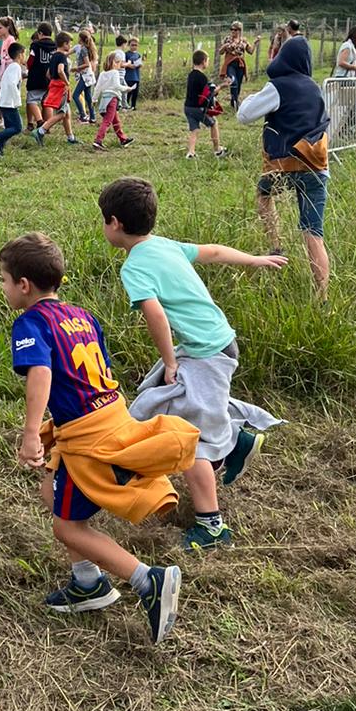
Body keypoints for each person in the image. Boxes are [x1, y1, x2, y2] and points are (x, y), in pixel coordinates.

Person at [0, 231, 190, 642]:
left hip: (90, 435)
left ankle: (147, 581)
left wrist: (31, 433)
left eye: (3, 278)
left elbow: (42, 373)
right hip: (107, 415)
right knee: (52, 493)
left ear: (24, 285)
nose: (3, 286)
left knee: (67, 527)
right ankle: (88, 583)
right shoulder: (82, 315)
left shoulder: (29, 323)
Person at [98, 177, 286, 549]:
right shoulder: (164, 246)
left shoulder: (133, 267)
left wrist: (170, 362)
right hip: (216, 342)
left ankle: (212, 526)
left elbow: (157, 317)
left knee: (190, 439)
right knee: (163, 400)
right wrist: (254, 260)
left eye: (104, 220)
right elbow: (213, 252)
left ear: (116, 223)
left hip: (204, 353)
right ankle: (236, 443)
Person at [237, 35, 331, 298]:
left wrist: (254, 95)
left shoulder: (279, 86)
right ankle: (322, 296)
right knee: (314, 233)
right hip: (317, 166)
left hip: (285, 165)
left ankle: (276, 245)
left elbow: (244, 115)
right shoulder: (314, 87)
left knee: (263, 194)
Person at [34, 32, 79, 145]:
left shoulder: (54, 55)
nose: (70, 46)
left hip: (54, 84)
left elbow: (48, 74)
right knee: (62, 113)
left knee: (67, 113)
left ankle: (70, 137)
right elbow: (60, 70)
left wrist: (53, 82)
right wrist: (66, 82)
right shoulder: (63, 56)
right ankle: (41, 130)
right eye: (69, 44)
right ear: (64, 44)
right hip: (61, 86)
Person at [0, 41, 26, 157]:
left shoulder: (11, 67)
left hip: (5, 101)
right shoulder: (16, 67)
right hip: (9, 102)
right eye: (24, 54)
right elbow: (12, 84)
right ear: (20, 55)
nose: (25, 57)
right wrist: (17, 100)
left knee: (8, 129)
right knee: (17, 127)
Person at [184, 50, 227, 159]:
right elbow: (208, 94)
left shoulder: (191, 75)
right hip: (198, 109)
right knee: (213, 123)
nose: (208, 63)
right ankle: (217, 150)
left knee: (194, 129)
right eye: (207, 60)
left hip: (188, 107)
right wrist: (221, 87)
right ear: (203, 61)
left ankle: (191, 152)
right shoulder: (202, 77)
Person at [92, 55, 133, 150]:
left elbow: (97, 88)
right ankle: (98, 141)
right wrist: (127, 88)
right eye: (119, 63)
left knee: (115, 121)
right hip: (112, 99)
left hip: (104, 99)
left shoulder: (102, 74)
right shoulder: (115, 72)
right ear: (114, 63)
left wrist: (94, 99)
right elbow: (116, 86)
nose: (120, 65)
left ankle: (123, 139)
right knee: (107, 121)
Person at [25, 23, 55, 129]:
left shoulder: (36, 45)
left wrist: (27, 66)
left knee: (32, 100)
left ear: (40, 33)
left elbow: (31, 61)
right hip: (51, 78)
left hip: (36, 77)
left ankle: (39, 121)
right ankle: (48, 126)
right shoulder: (55, 46)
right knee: (47, 103)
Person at [218, 22, 252, 109]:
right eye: (231, 29)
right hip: (230, 64)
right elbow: (220, 52)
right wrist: (225, 46)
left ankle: (234, 101)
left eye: (235, 30)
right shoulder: (227, 39)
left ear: (240, 31)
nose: (233, 31)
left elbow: (250, 51)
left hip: (240, 64)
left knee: (239, 83)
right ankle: (235, 102)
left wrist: (255, 43)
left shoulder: (243, 40)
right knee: (234, 82)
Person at [72, 28, 99, 123]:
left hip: (85, 76)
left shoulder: (83, 49)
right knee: (88, 98)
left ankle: (83, 115)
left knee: (75, 95)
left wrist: (76, 68)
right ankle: (93, 117)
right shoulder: (85, 48)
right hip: (89, 75)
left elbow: (87, 64)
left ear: (81, 39)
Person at [123, 37, 143, 110]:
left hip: (136, 76)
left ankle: (133, 106)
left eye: (136, 45)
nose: (134, 47)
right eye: (132, 45)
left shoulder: (138, 55)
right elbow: (123, 64)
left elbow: (140, 63)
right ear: (129, 45)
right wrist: (129, 65)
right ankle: (126, 105)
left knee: (135, 93)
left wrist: (140, 65)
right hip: (128, 76)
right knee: (128, 92)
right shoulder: (126, 54)